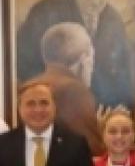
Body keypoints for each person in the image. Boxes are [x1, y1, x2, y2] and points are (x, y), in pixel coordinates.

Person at [15, 0, 135, 110]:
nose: (97, 0)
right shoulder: (45, 11)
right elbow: (23, 63)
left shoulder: (113, 19)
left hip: (99, 110)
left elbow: (122, 73)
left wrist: (117, 109)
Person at [32, 22, 105, 155]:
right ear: (84, 59)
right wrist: (102, 132)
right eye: (92, 59)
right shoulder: (74, 90)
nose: (92, 69)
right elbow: (90, 148)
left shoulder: (30, 86)